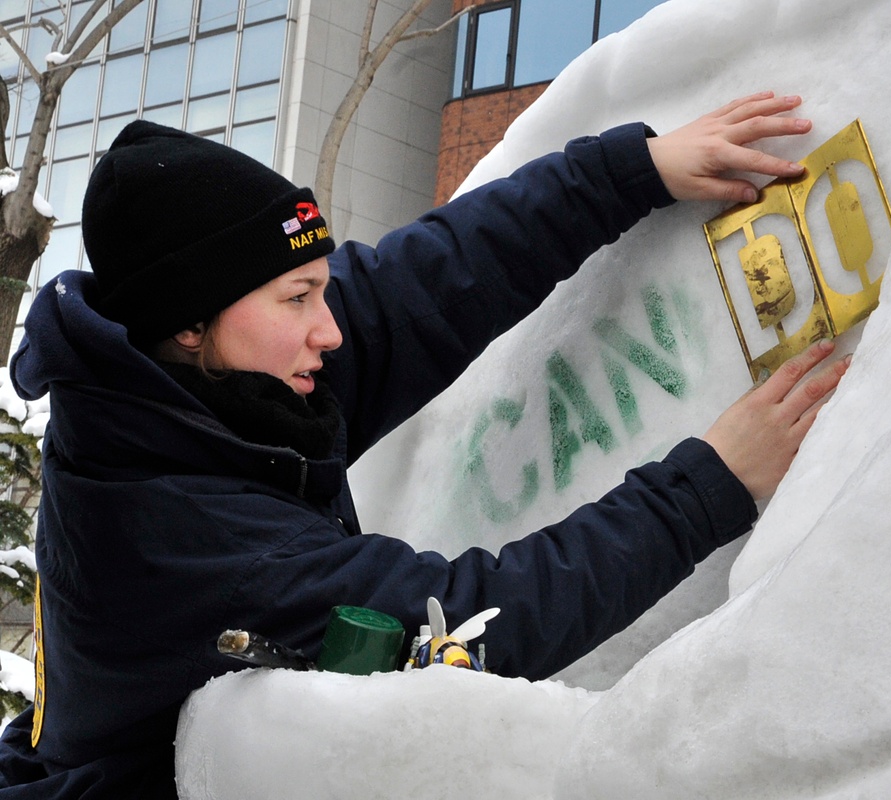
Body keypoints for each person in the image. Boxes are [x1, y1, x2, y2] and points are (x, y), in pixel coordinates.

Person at [0, 92, 848, 798]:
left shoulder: (202, 369)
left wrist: (631, 171)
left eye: (321, 289)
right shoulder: (171, 534)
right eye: (297, 298)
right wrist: (712, 484)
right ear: (188, 322)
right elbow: (475, 622)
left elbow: (438, 276)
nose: (329, 330)